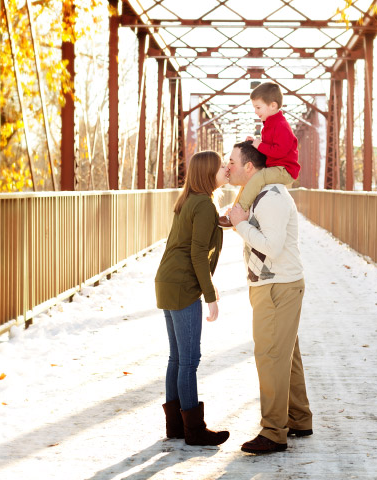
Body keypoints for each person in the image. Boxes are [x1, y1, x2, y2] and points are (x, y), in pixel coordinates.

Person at [226, 141, 313, 454]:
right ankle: (298, 417)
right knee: (286, 354)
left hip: (277, 286)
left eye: (232, 161)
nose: (228, 167)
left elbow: (271, 247)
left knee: (271, 356)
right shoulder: (262, 195)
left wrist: (240, 224)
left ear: (250, 167)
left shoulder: (272, 197)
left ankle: (274, 432)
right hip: (275, 284)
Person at [155, 150, 230, 446]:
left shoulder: (191, 200)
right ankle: (194, 430)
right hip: (183, 285)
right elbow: (198, 254)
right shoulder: (203, 205)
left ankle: (176, 426)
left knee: (177, 357)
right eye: (220, 166)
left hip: (167, 281)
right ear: (207, 173)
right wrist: (210, 296)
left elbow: (194, 240)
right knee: (189, 360)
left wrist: (221, 222)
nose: (225, 168)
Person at [218, 82, 300, 228]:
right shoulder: (270, 123)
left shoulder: (281, 125)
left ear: (273, 105)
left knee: (258, 177)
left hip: (284, 170)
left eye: (258, 107)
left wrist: (259, 145)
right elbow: (271, 145)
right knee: (250, 182)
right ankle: (235, 213)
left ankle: (239, 212)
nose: (255, 111)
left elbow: (280, 151)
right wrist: (256, 142)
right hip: (276, 167)